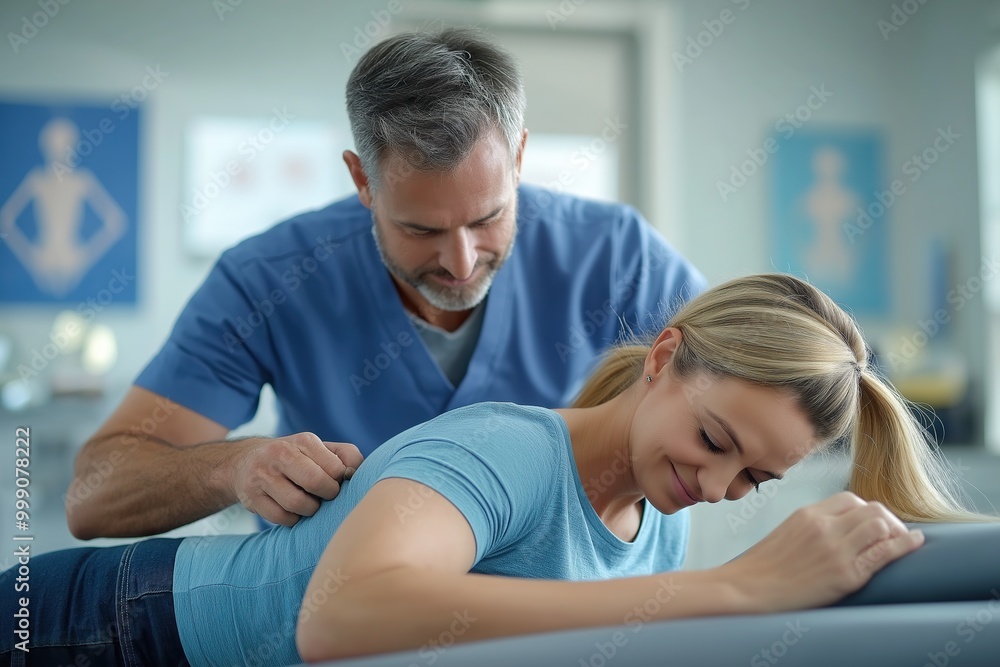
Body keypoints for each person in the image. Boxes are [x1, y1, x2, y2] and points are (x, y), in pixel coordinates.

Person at [3, 274, 980, 665]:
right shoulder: (511, 449)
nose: (717, 486)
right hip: (102, 625)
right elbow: (341, 616)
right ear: (666, 357)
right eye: (717, 441)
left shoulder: (663, 524)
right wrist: (730, 588)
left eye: (753, 482)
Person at [66, 27, 706, 539]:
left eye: (488, 219)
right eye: (421, 229)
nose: (460, 262)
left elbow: (754, 369)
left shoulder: (617, 255)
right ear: (361, 180)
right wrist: (235, 466)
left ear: (518, 159)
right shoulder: (270, 277)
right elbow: (95, 496)